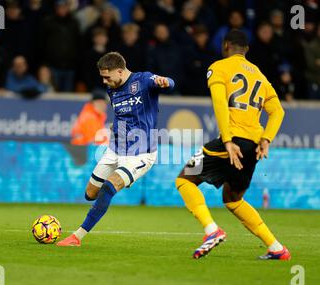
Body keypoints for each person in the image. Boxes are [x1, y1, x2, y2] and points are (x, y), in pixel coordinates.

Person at [175, 30, 291, 260]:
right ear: (246, 50)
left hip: (233, 142)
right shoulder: (259, 75)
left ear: (226, 45)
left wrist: (227, 140)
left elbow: (219, 102)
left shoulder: (219, 67)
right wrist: (266, 138)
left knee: (185, 179)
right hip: (253, 145)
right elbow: (278, 111)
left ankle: (211, 231)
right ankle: (276, 248)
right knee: (233, 198)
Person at [57, 52, 175, 246]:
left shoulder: (144, 80)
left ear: (120, 71)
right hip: (115, 150)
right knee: (90, 194)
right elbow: (123, 115)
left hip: (141, 154)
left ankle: (76, 237)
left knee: (108, 188)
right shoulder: (113, 90)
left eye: (107, 77)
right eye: (102, 77)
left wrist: (165, 82)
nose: (105, 81)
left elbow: (170, 83)